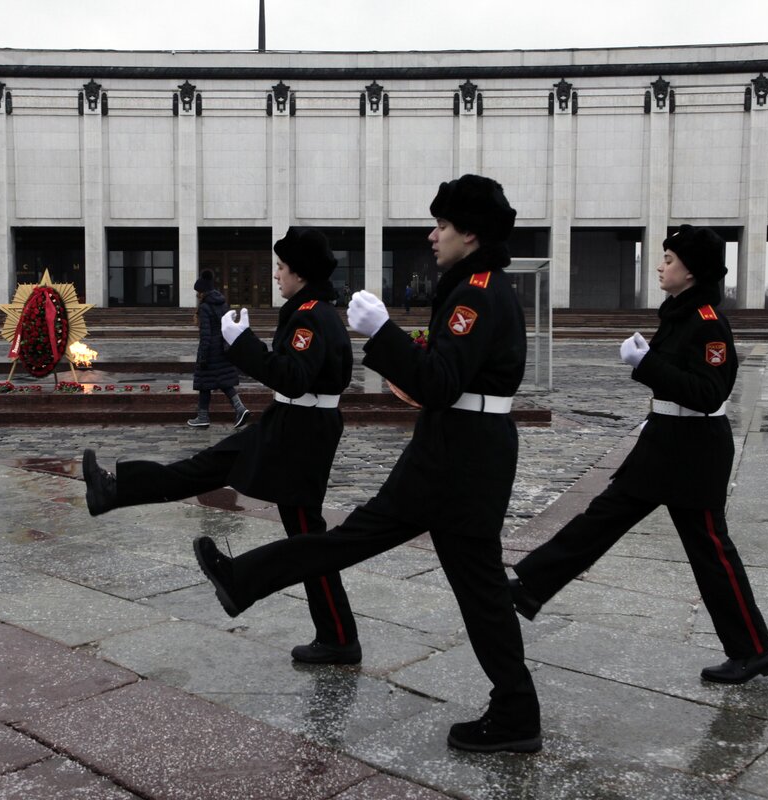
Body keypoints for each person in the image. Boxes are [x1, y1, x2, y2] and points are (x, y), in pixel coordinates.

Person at [193, 175, 542, 754]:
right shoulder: (480, 286)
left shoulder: (477, 293)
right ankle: (516, 710)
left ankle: (245, 579)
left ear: (471, 234)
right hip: (467, 447)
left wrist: (382, 334)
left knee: (364, 542)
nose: (434, 237)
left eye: (443, 227)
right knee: (470, 584)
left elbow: (438, 382)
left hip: (458, 455)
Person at [509, 225, 768, 685]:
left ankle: (754, 650)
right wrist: (649, 357)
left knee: (711, 552)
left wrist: (646, 364)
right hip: (665, 441)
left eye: (669, 259)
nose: (660, 266)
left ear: (690, 271)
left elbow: (709, 393)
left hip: (695, 450)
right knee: (601, 518)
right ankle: (531, 586)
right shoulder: (680, 314)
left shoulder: (709, 321)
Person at [82, 227, 362, 664]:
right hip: (291, 422)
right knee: (208, 468)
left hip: (302, 432)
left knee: (308, 538)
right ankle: (115, 489)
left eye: (282, 267)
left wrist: (242, 343)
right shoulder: (311, 310)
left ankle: (339, 637)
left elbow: (292, 376)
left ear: (301, 273)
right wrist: (244, 346)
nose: (276, 275)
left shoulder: (312, 314)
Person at [189, 269, 251, 429]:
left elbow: (206, 335)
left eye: (198, 291)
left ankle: (204, 416)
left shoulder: (204, 307)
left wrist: (202, 356)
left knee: (205, 383)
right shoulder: (222, 303)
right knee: (222, 382)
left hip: (210, 351)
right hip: (223, 348)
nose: (197, 295)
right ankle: (238, 409)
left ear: (202, 292)